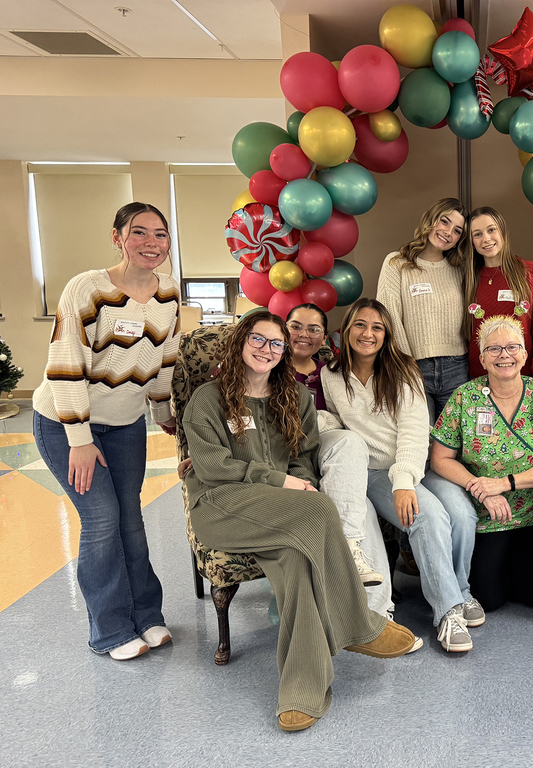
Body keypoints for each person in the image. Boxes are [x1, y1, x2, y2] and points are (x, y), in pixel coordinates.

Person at [182, 312, 419, 732]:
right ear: (241, 341)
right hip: (221, 506)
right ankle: (360, 624)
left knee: (296, 562)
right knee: (321, 509)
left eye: (276, 343)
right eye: (258, 339)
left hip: (277, 512)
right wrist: (280, 482)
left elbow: (305, 460)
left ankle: (301, 691)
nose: (267, 349)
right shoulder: (208, 398)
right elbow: (213, 467)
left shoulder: (294, 397)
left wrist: (297, 484)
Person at [32, 202, 179, 661]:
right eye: (139, 233)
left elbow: (164, 362)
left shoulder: (168, 293)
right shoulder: (86, 288)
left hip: (125, 423)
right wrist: (80, 440)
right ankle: (110, 630)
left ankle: (147, 616)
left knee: (130, 521)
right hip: (65, 422)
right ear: (117, 237)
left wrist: (163, 414)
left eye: (160, 234)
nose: (151, 243)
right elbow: (66, 366)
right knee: (101, 523)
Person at [321, 299, 481, 653]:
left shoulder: (403, 369)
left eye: (377, 327)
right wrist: (322, 425)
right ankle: (448, 612)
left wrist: (406, 482)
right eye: (360, 325)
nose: (368, 333)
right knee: (428, 516)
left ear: (386, 334)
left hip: (415, 463)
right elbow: (336, 418)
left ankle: (461, 591)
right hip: (376, 472)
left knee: (462, 512)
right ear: (347, 329)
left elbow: (412, 429)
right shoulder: (330, 374)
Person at [427, 315, 533, 611]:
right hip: (486, 515)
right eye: (494, 349)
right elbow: (440, 459)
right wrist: (480, 487)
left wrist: (504, 484)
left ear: (524, 354)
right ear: (482, 359)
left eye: (512, 347)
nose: (504, 355)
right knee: (490, 599)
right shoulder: (464, 398)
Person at [285, 303, 391, 611]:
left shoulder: (329, 373)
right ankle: (374, 611)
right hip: (282, 457)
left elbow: (344, 420)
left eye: (314, 329)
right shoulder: (266, 361)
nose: (304, 335)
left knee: (350, 448)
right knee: (362, 510)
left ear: (325, 336)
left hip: (330, 456)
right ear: (283, 327)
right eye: (296, 326)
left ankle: (377, 611)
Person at [376, 197, 470, 423]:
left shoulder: (460, 271)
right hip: (412, 366)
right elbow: (388, 318)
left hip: (457, 368)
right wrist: (405, 366)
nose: (448, 232)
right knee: (420, 443)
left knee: (455, 445)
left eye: (457, 231)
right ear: (431, 219)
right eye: (444, 222)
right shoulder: (396, 263)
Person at [463, 206, 533, 383]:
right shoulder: (468, 280)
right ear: (471, 242)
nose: (486, 239)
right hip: (479, 381)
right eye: (477, 234)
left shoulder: (530, 273)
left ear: (503, 232)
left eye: (491, 230)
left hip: (522, 380)